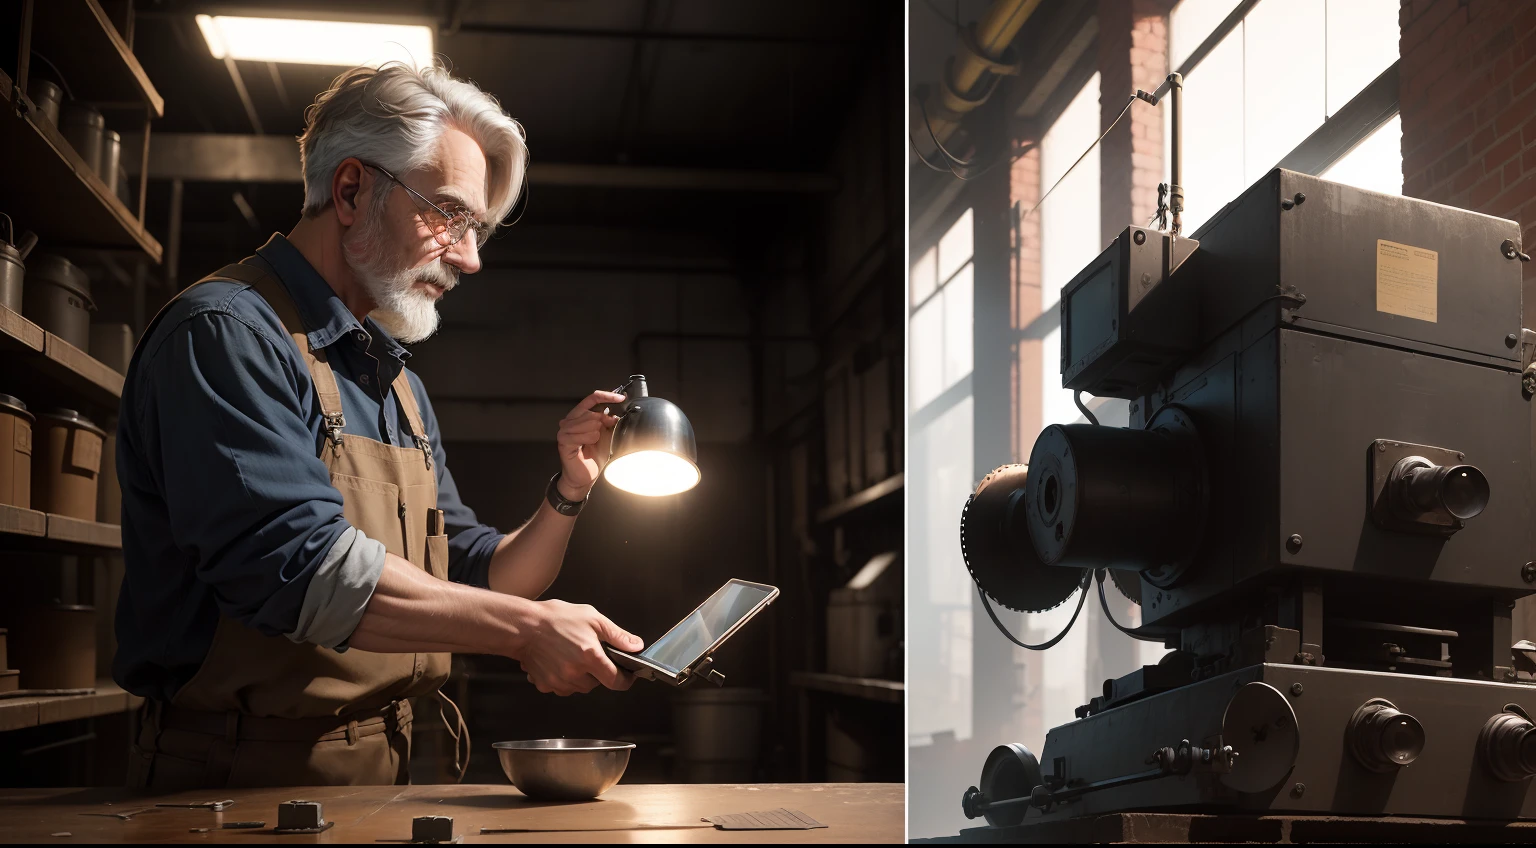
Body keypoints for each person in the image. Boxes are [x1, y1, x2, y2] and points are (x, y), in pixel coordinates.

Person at [114, 61, 642, 789]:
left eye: (477, 227)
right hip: (237, 779)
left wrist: (570, 492)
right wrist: (525, 633)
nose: (470, 257)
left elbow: (478, 575)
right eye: (449, 214)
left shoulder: (395, 385)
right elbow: (299, 570)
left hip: (389, 766)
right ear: (354, 190)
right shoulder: (226, 335)